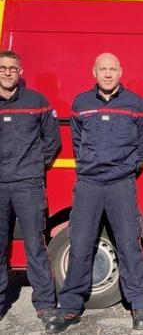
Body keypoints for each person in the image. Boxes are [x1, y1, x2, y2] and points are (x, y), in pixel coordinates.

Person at [46, 53, 143, 334]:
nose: (107, 74)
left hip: (121, 184)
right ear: (94, 72)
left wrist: (127, 168)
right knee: (80, 243)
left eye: (112, 69)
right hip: (90, 184)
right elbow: (77, 140)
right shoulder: (81, 103)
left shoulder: (136, 104)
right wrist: (90, 166)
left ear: (120, 72)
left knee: (130, 243)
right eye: (102, 69)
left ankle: (139, 304)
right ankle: (70, 306)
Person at [0, 50, 61, 323]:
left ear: (20, 72)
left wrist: (35, 165)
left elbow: (52, 139)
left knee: (35, 244)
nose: (8, 72)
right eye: (3, 68)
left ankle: (46, 305)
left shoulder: (37, 102)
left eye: (13, 68)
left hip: (28, 184)